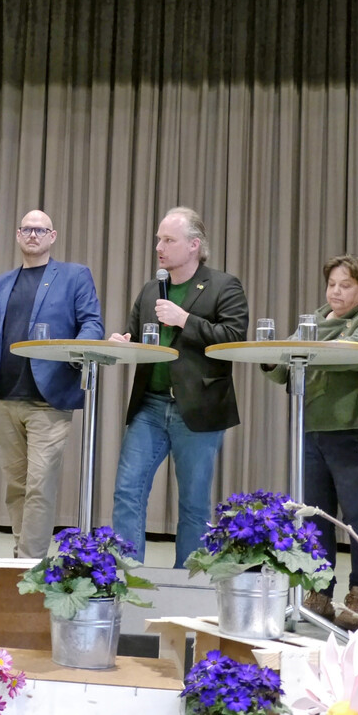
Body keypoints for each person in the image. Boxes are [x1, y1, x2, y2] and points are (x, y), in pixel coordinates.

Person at [262, 255, 358, 630]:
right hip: (311, 429)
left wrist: (305, 346)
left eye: (345, 285)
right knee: (315, 517)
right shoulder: (317, 318)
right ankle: (318, 592)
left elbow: (354, 356)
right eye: (332, 284)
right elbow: (285, 367)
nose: (335, 291)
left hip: (355, 431)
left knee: (357, 518)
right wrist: (271, 359)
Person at [110, 207, 248, 566]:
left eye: (168, 240)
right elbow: (136, 336)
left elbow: (233, 337)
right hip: (151, 406)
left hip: (198, 408)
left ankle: (187, 580)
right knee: (127, 490)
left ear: (194, 245)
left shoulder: (223, 286)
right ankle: (125, 575)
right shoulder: (150, 290)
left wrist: (185, 319)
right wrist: (121, 343)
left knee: (193, 503)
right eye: (159, 239)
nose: (159, 246)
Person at [0, 209, 104, 558]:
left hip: (49, 400)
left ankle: (30, 564)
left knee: (39, 485)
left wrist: (75, 355)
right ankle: (22, 554)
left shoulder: (74, 276)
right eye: (27, 229)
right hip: (2, 398)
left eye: (40, 230)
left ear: (53, 236)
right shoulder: (1, 283)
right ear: (18, 235)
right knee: (16, 486)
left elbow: (92, 324)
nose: (33, 235)